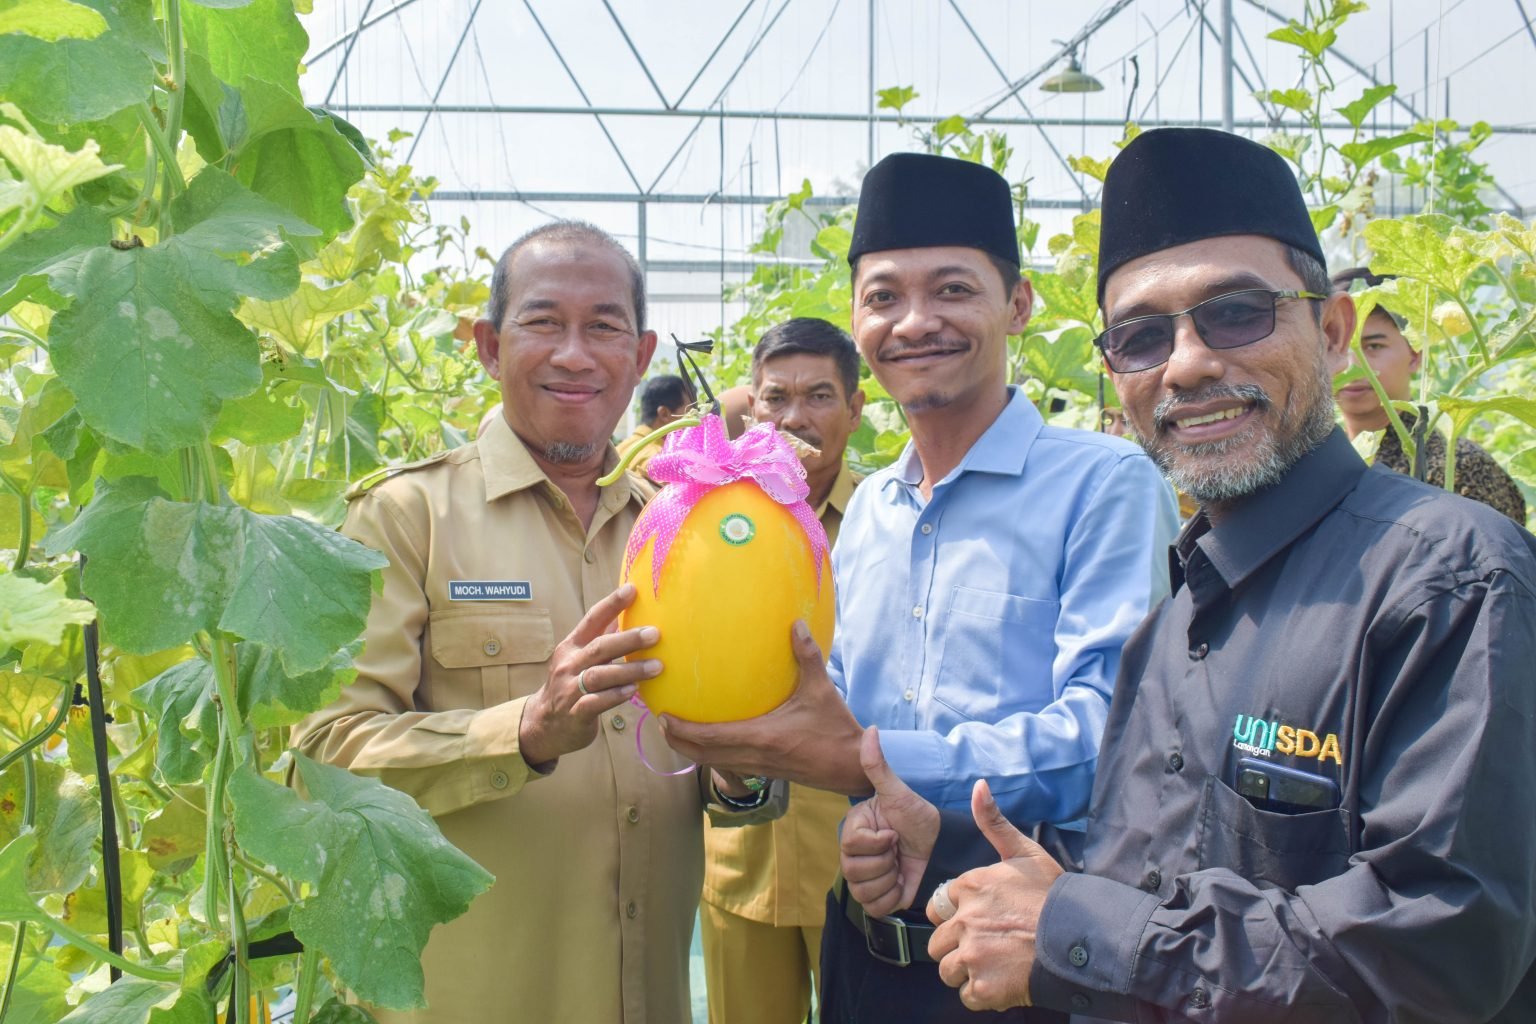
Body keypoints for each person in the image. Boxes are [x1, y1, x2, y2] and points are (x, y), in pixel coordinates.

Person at [842, 128, 1536, 1022]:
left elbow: (1440, 941)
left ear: (1331, 331)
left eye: (1237, 312)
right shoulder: (1176, 616)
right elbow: (1147, 878)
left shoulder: (1448, 576)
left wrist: (1076, 931)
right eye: (1140, 337)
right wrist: (952, 856)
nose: (1189, 361)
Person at [662, 152, 1179, 1023]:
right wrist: (838, 793)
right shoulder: (869, 513)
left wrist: (874, 762)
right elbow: (852, 720)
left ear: (1017, 306)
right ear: (859, 321)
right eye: (884, 297)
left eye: (952, 290)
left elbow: (1115, 737)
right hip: (863, 952)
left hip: (1022, 966)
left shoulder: (1106, 485)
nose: (915, 322)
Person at [292, 220, 784, 1024]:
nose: (575, 354)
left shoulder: (681, 531)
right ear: (489, 346)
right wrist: (523, 732)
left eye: (604, 327)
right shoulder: (406, 517)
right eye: (543, 322)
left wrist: (743, 771)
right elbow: (320, 762)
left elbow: (733, 784)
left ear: (641, 353)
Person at [700, 318, 866, 1024]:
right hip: (740, 861)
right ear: (752, 406)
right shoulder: (707, 519)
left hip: (858, 873)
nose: (796, 417)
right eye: (776, 398)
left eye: (820, 396)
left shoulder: (886, 521)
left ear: (857, 408)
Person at [1332, 267, 1526, 523]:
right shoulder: (1311, 465)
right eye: (1336, 345)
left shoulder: (1459, 466)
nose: (1352, 365)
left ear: (1415, 355)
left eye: (1374, 346)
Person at [616, 373, 697, 482]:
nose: (696, 422)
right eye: (690, 413)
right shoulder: (660, 462)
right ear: (664, 414)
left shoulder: (619, 449)